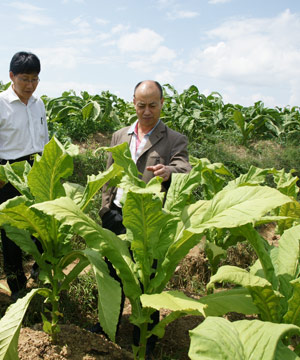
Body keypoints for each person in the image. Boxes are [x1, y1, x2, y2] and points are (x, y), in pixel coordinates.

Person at [96, 80, 191, 356]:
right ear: (133, 103)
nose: (146, 111)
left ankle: (145, 339)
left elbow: (184, 167)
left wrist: (169, 172)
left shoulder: (174, 139)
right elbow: (108, 175)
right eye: (141, 105)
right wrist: (105, 208)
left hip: (149, 219)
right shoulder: (119, 135)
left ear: (162, 103)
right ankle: (107, 326)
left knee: (146, 279)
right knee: (111, 274)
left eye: (152, 105)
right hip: (116, 213)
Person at [0, 51, 48, 299]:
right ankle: (16, 287)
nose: (30, 85)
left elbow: (44, 140)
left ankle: (41, 275)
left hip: (36, 168)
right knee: (12, 231)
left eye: (35, 79)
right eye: (25, 79)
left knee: (41, 225)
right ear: (12, 76)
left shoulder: (39, 104)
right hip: (8, 170)